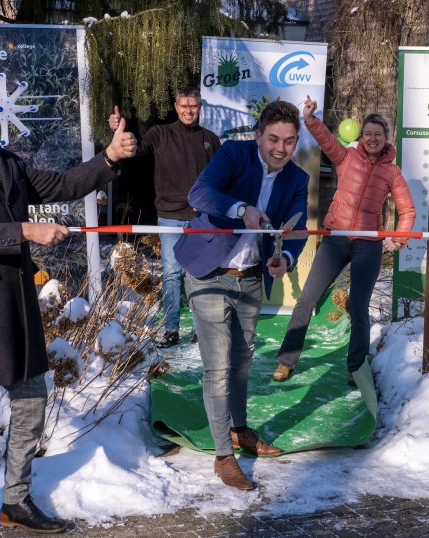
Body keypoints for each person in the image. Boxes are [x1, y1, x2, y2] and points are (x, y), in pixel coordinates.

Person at [0, 74, 136, 537]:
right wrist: (25, 230)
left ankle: (15, 502)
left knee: (32, 403)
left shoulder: (6, 161)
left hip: (15, 304)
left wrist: (110, 156)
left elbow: (62, 184)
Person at [173, 100, 309, 490]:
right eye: (273, 139)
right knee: (217, 368)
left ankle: (239, 429)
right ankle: (223, 457)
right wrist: (241, 209)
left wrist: (284, 256)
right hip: (209, 273)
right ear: (257, 136)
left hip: (251, 278)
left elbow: (297, 230)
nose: (280, 149)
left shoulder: (297, 179)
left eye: (289, 141)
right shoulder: (234, 153)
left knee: (243, 360)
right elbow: (199, 194)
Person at [273, 98, 415, 385]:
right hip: (336, 239)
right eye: (368, 134)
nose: (372, 139)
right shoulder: (346, 157)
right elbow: (326, 140)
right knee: (306, 300)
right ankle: (287, 362)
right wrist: (311, 119)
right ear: (361, 137)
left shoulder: (392, 172)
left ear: (385, 139)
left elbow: (408, 210)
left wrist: (399, 238)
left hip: (368, 244)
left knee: (359, 306)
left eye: (378, 134)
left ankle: (356, 366)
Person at [109, 87, 220, 348]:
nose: (188, 110)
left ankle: (199, 330)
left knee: (201, 273)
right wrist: (119, 132)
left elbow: (220, 178)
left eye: (193, 105)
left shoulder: (211, 139)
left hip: (202, 218)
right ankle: (171, 330)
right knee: (172, 274)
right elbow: (135, 147)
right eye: (183, 105)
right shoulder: (160, 134)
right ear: (175, 106)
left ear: (200, 106)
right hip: (170, 217)